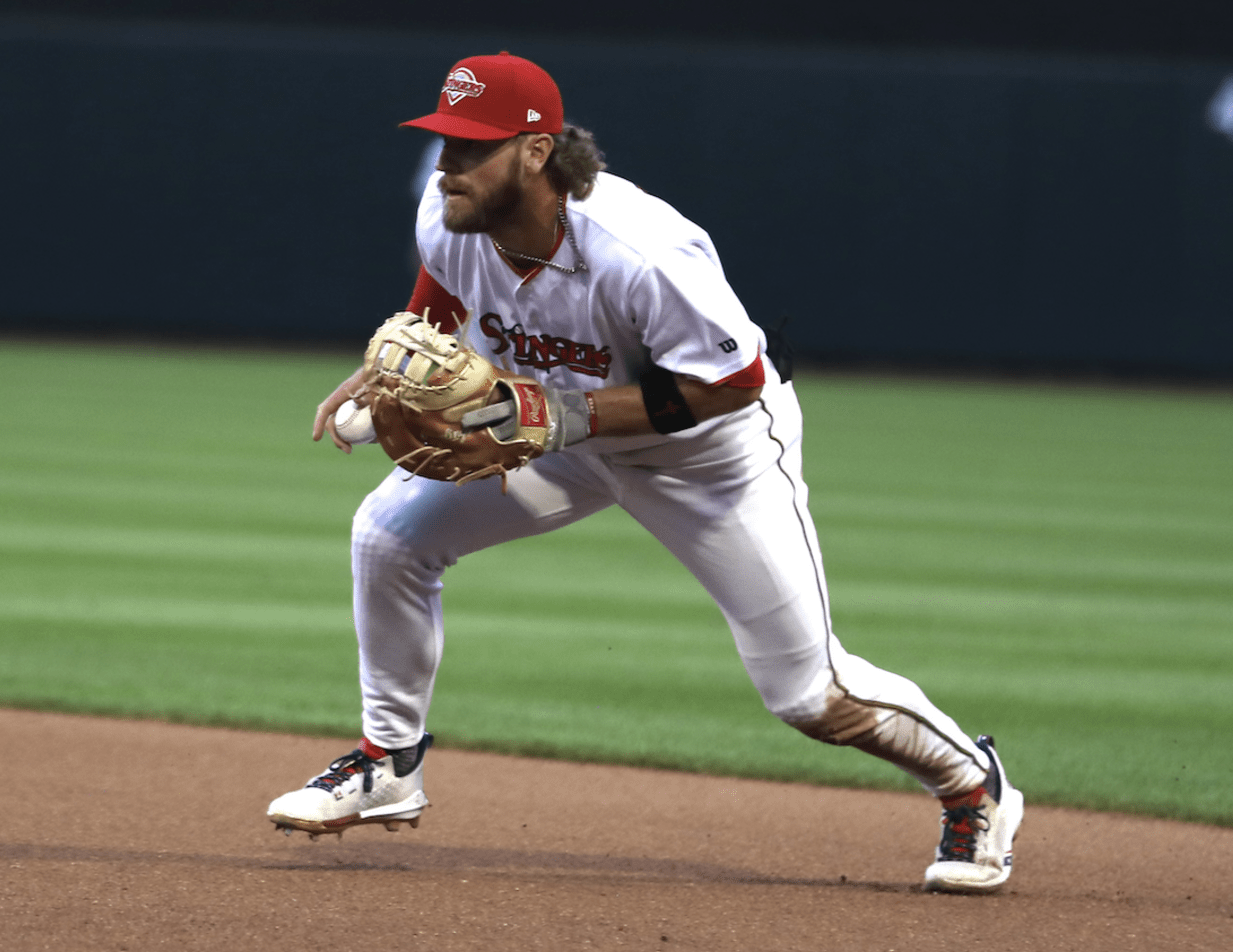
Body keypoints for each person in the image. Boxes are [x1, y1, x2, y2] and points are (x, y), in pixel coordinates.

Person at [265, 53, 1023, 892]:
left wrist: (557, 416)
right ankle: (388, 762)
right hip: (561, 434)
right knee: (389, 535)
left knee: (809, 694)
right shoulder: (449, 215)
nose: (449, 164)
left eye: (472, 146)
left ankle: (972, 782)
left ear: (536, 152)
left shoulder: (641, 250)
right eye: (445, 140)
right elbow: (444, 289)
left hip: (710, 458)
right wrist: (398, 362)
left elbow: (732, 383)